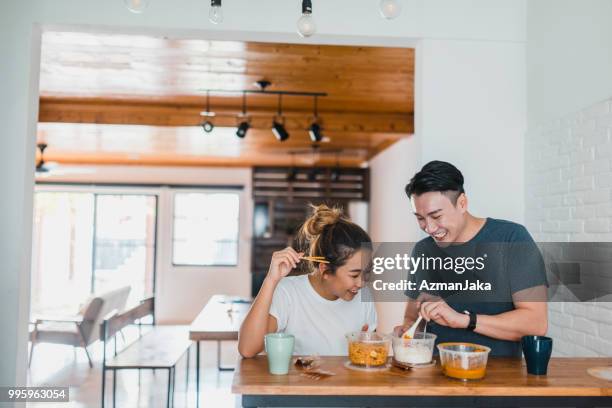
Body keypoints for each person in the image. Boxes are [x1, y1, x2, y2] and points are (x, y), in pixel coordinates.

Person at [394, 161, 548, 357]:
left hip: (499, 381)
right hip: (435, 379)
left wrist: (464, 320)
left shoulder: (512, 239)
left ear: (462, 203)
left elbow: (536, 324)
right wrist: (407, 331)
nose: (429, 228)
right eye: (420, 218)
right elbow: (412, 318)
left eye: (436, 216)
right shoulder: (422, 250)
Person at [238, 204, 377, 357]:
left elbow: (371, 353)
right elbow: (247, 349)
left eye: (367, 272)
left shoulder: (364, 296)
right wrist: (271, 279)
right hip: (301, 381)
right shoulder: (288, 293)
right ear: (325, 269)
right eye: (354, 275)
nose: (361, 283)